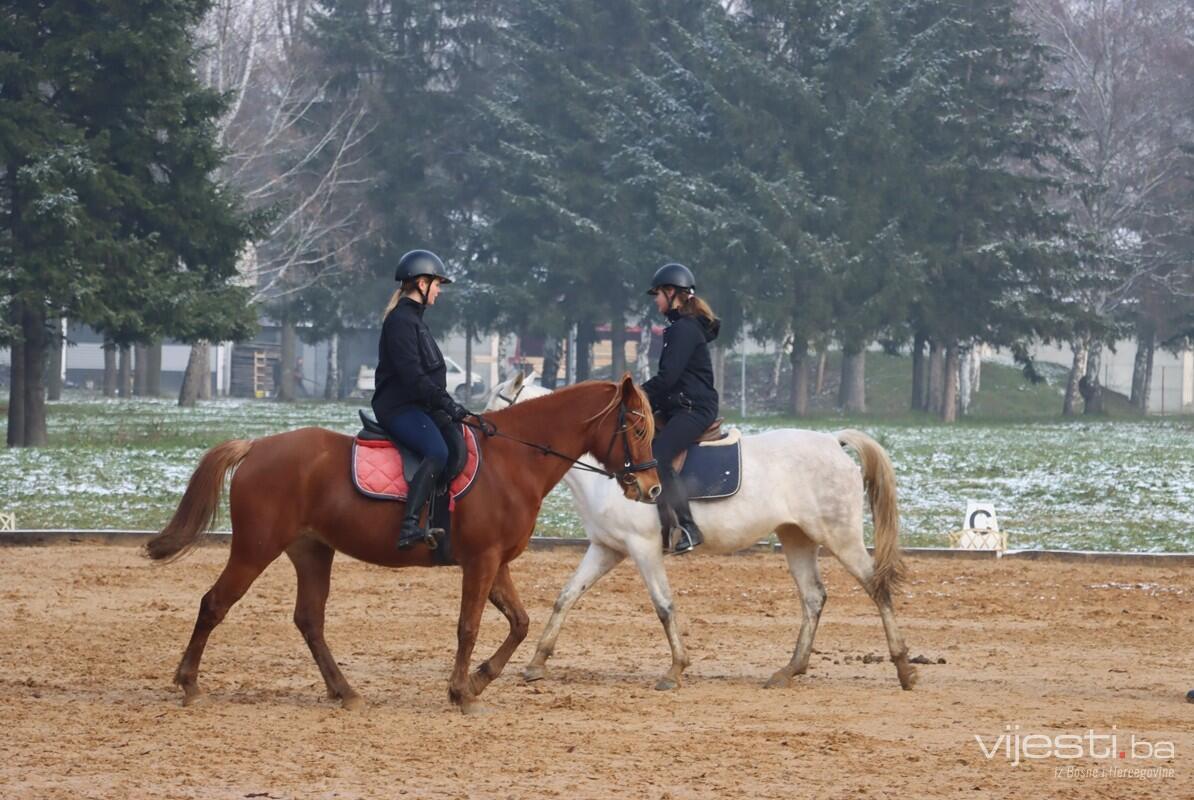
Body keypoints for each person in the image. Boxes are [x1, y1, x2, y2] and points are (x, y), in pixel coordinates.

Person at [372, 249, 479, 549]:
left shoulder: (415, 321)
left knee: (458, 445)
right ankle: (408, 526)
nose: (439, 291)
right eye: (437, 284)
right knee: (437, 451)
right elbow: (414, 378)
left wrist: (451, 410)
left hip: (420, 405)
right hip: (398, 408)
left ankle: (440, 524)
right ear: (421, 283)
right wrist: (448, 404)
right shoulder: (401, 322)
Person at [642, 262, 720, 555]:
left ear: (672, 293)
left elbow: (668, 378)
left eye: (658, 294)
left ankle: (688, 525)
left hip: (694, 409)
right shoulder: (679, 328)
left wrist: (637, 395)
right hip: (679, 405)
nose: (656, 300)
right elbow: (671, 382)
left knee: (658, 454)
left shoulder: (683, 330)